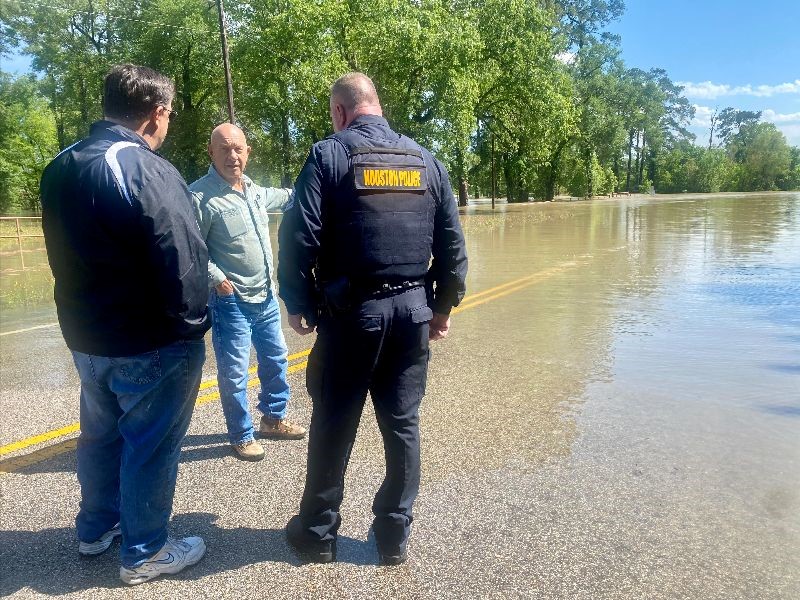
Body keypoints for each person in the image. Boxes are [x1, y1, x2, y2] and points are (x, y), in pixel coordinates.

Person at [277, 72, 468, 565]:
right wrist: (442, 306)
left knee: (334, 422)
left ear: (341, 112)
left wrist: (299, 303)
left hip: (352, 316)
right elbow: (451, 242)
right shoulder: (425, 160)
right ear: (376, 107)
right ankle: (393, 538)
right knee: (402, 424)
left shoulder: (329, 155)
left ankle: (318, 534)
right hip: (410, 313)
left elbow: (299, 237)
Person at [40, 64, 210, 585]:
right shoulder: (142, 165)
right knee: (150, 443)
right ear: (156, 113)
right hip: (149, 341)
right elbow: (182, 252)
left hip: (87, 338)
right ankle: (145, 550)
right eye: (170, 114)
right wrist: (192, 326)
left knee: (100, 436)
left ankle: (96, 528)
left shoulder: (61, 164)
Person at [189, 123, 305, 462]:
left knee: (276, 359)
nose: (232, 155)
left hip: (266, 296)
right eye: (224, 149)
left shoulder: (255, 191)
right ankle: (241, 434)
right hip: (231, 302)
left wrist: (323, 181)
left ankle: (273, 418)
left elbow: (290, 196)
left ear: (248, 152)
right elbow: (192, 249)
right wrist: (217, 279)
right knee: (235, 372)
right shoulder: (199, 196)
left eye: (238, 148)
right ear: (211, 153)